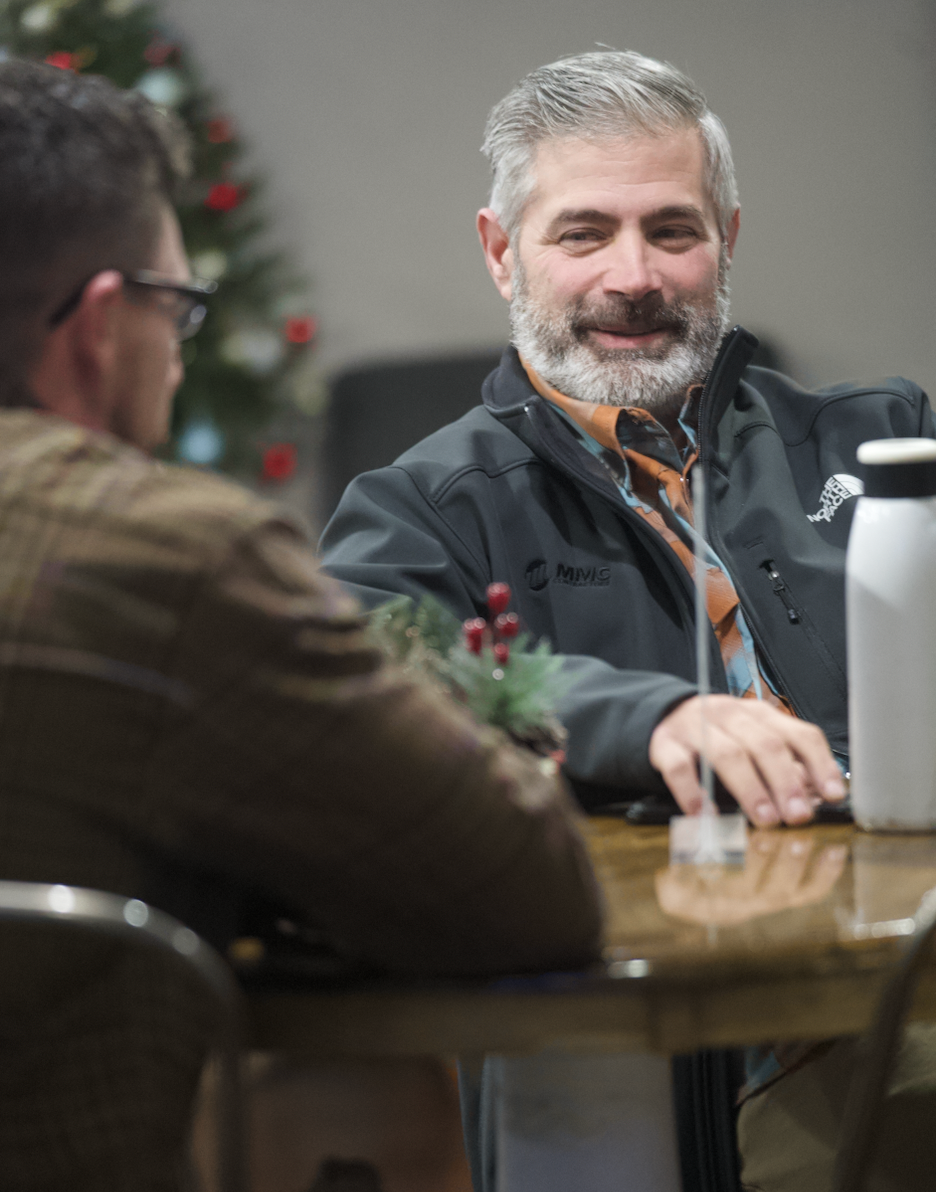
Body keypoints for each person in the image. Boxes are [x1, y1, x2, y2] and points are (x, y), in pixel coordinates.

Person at [0, 60, 603, 1192]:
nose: (182, 346)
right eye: (179, 309)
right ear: (105, 325)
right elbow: (529, 895)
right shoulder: (166, 555)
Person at [320, 48, 936, 1192]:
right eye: (582, 233)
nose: (634, 274)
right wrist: (650, 718)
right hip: (692, 1038)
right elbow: (368, 676)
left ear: (729, 240)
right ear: (502, 252)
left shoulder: (882, 436)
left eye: (673, 229)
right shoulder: (420, 505)